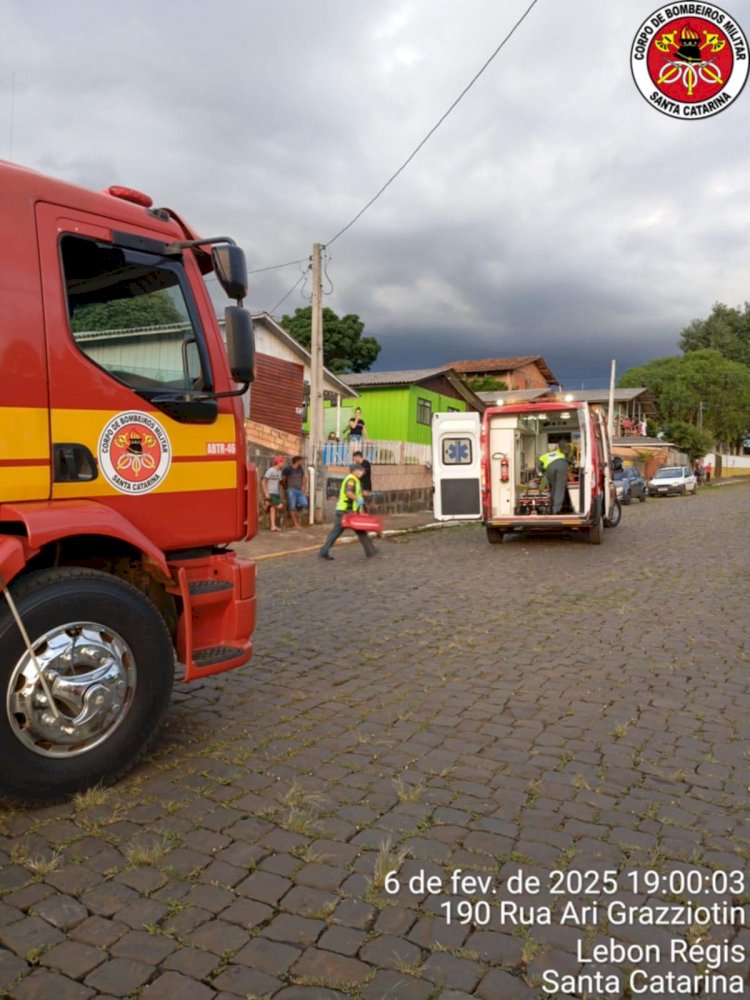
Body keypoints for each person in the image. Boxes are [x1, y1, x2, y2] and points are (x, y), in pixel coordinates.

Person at [319, 463, 377, 560]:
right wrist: (357, 499)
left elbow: (355, 492)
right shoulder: (351, 479)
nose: (361, 472)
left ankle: (324, 552)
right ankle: (371, 551)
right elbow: (348, 492)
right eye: (360, 470)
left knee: (339, 532)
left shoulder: (354, 480)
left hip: (347, 511)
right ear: (355, 470)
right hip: (345, 511)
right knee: (359, 532)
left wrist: (364, 494)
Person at [537, 441, 569, 515]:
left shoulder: (544, 455)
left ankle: (552, 507)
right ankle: (556, 510)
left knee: (554, 488)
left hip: (550, 468)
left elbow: (539, 465)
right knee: (560, 488)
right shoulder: (560, 453)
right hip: (561, 465)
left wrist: (542, 473)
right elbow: (569, 461)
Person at [281, 455, 309, 529]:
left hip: (299, 490)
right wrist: (285, 486)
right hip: (291, 490)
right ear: (297, 461)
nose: (302, 462)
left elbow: (304, 477)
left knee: (304, 503)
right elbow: (283, 479)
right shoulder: (288, 469)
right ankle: (295, 524)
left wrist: (303, 486)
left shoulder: (300, 469)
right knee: (292, 507)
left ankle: (294, 507)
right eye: (301, 461)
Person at [262, 456, 286, 531]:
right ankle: (267, 504)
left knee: (273, 509)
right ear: (278, 462)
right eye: (282, 462)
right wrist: (266, 493)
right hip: (270, 492)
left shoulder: (279, 472)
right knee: (280, 506)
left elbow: (279, 482)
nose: (283, 463)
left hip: (275, 492)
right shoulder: (270, 470)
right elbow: (263, 481)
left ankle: (273, 526)